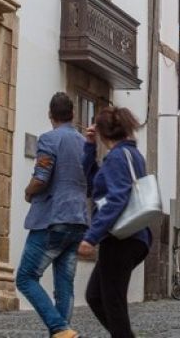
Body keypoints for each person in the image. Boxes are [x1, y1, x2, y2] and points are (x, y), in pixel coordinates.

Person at [16, 93, 96, 338]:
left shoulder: (49, 139)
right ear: (73, 115)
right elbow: (91, 183)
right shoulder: (85, 144)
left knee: (26, 277)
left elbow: (41, 178)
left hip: (53, 219)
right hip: (79, 220)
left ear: (50, 115)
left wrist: (28, 193)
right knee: (64, 285)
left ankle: (59, 328)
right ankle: (62, 334)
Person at [78, 106, 151, 338]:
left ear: (102, 131)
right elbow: (94, 185)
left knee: (112, 301)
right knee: (96, 296)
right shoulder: (125, 155)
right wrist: (90, 147)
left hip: (123, 238)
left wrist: (91, 236)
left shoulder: (120, 156)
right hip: (127, 237)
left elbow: (116, 198)